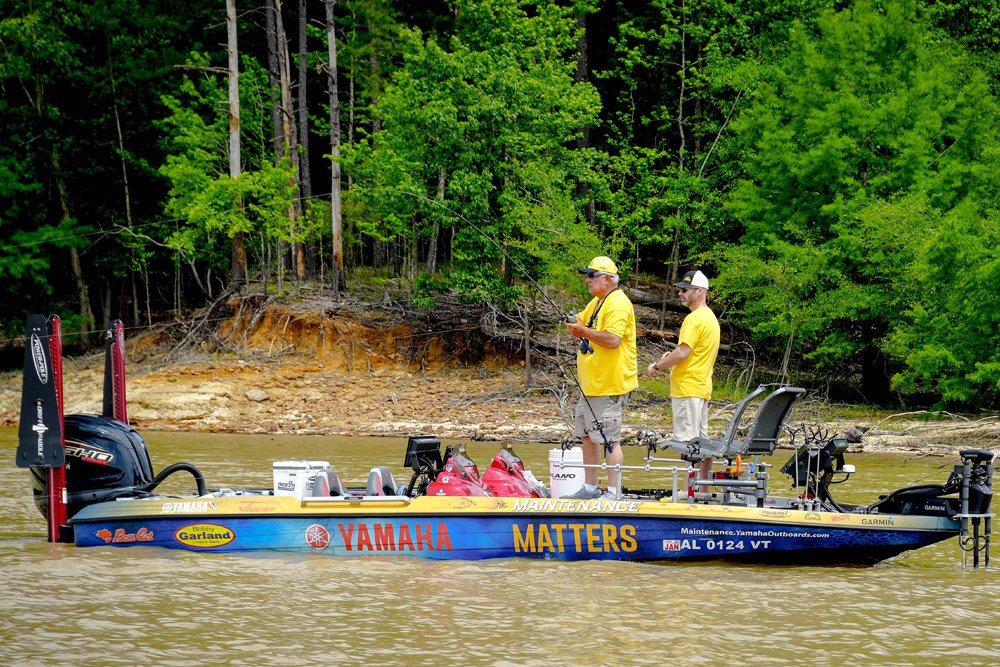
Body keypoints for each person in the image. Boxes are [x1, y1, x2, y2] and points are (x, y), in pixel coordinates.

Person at [563, 256, 638, 500]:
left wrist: (583, 331)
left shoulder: (618, 303)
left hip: (609, 385)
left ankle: (614, 493)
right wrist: (574, 323)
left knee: (609, 439)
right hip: (591, 386)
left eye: (591, 276)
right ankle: (590, 488)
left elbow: (613, 339)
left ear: (607, 279)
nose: (587, 280)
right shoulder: (597, 301)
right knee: (588, 436)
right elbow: (582, 322)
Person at [646, 270, 721, 479]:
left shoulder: (694, 319)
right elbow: (692, 352)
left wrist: (657, 366)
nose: (680, 293)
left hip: (687, 389)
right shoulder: (710, 318)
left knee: (690, 445)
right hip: (701, 389)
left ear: (700, 292)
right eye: (679, 290)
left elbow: (682, 352)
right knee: (703, 444)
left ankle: (690, 495)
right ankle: (703, 490)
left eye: (685, 290)